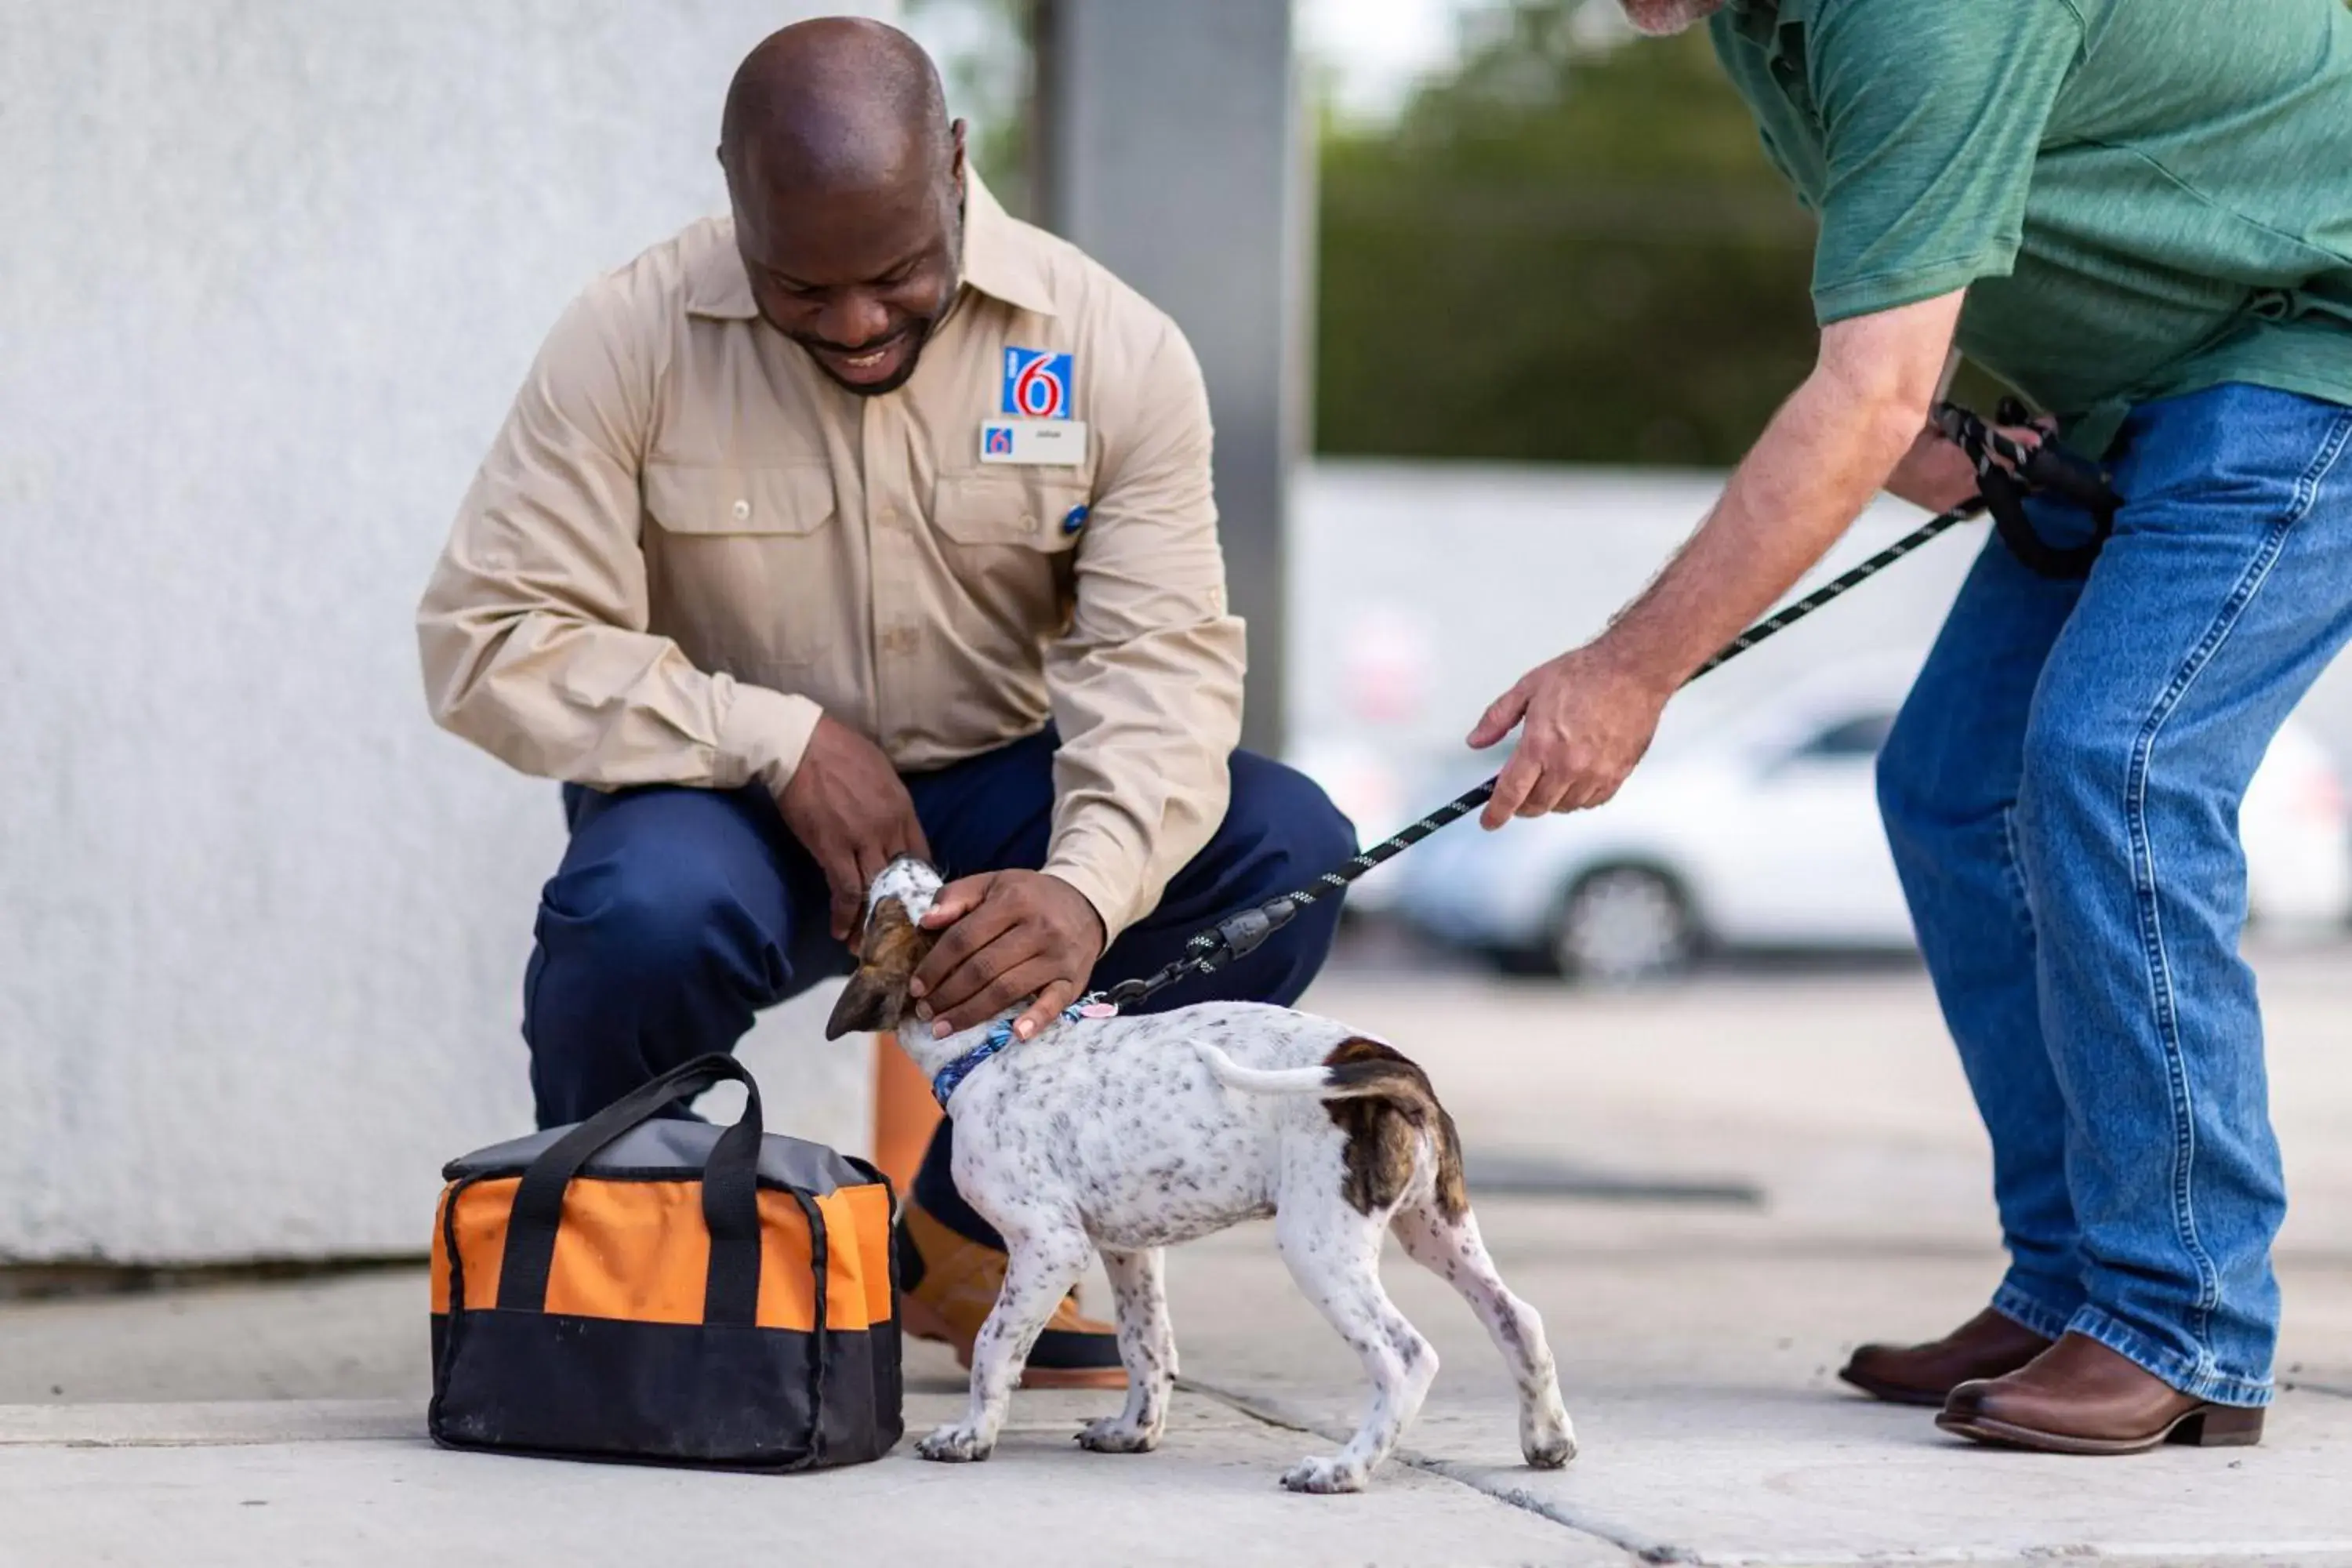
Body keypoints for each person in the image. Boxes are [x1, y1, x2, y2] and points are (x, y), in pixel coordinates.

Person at [416, 17, 1354, 1388]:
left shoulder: (1113, 348)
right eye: (802, 288)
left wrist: (1086, 890)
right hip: (728, 807)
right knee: (635, 917)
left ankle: (971, 1236)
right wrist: (776, 738)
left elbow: (1159, 668)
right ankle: (631, 1282)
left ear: (958, 167)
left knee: (1286, 850)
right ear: (733, 196)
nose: (856, 324)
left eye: (899, 273)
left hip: (996, 805)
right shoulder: (627, 335)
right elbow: (486, 639)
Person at [1478, 0, 2352, 1453]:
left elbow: (1865, 388)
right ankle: (2079, 1276)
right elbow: (1906, 302)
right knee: (1955, 785)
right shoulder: (1753, 24)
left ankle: (2182, 1317)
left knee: (2112, 762)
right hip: (2141, 392)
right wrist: (1947, 427)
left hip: (2305, 354)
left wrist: (1630, 672)